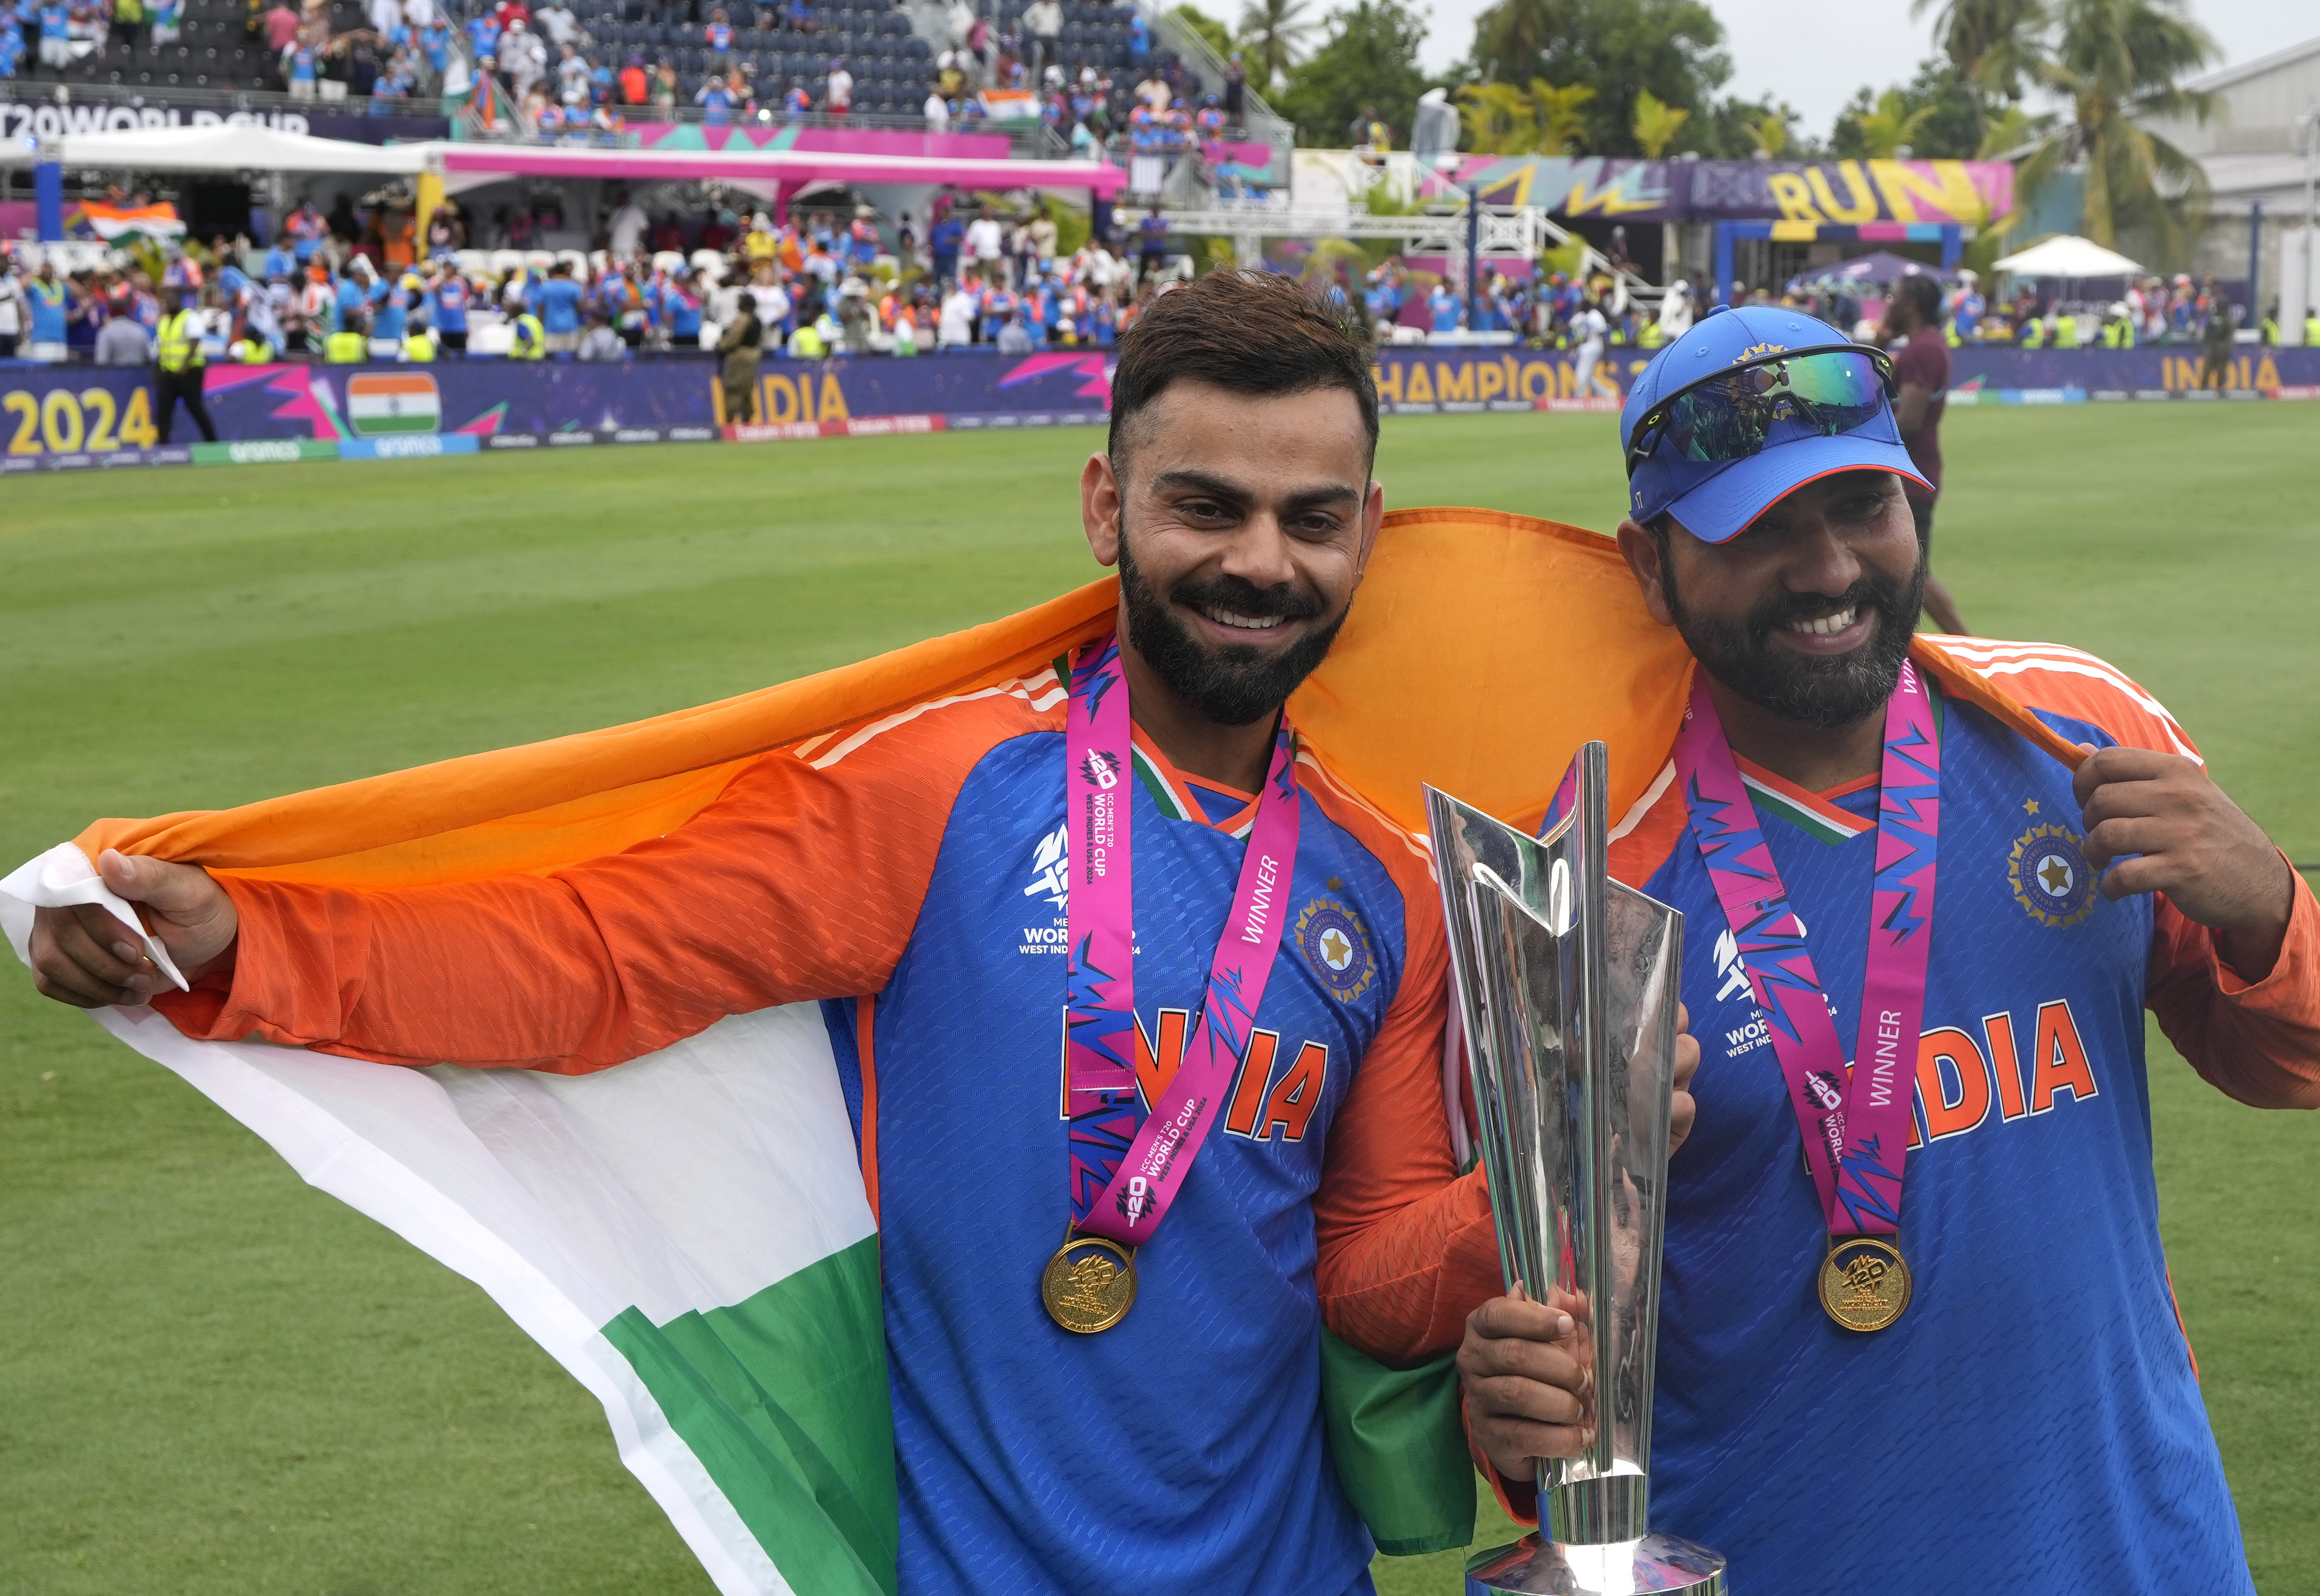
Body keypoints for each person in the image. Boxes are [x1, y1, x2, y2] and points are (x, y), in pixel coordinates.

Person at [23, 271, 1617, 1596]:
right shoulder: (942, 786)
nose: (1260, 560)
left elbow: (1371, 1277)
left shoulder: (1383, 885)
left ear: (1367, 530)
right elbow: (595, 954)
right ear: (1105, 503)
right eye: (1205, 504)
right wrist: (250, 934)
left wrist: (1555, 1153)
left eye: (1309, 518)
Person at [1450, 304, 2320, 1596]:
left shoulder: (2078, 728)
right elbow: (1562, 1374)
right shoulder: (1588, 883)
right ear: (1647, 565)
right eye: (1758, 528)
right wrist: (1516, 1407)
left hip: (2139, 1550)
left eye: (1862, 507)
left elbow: (2300, 1061)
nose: (1827, 569)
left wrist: (2265, 901)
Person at [1874, 273, 1968, 635]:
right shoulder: (1924, 345)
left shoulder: (1922, 349)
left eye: (1893, 297)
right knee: (1898, 572)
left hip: (1911, 476)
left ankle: (1972, 651)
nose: (1888, 304)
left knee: (1915, 575)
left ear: (1910, 305)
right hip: (1914, 470)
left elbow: (1909, 418)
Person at [152, 286, 218, 444]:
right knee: (164, 409)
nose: (169, 302)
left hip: (189, 371)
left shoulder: (189, 317)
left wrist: (185, 364)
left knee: (195, 407)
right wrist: (158, 369)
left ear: (180, 301)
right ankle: (163, 445)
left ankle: (213, 441)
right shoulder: (163, 322)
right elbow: (162, 346)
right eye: (167, 300)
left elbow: (195, 341)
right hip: (169, 371)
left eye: (172, 299)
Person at [717, 289, 764, 422]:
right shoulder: (757, 320)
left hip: (740, 357)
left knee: (734, 388)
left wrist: (721, 346)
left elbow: (733, 339)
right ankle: (748, 418)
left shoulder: (743, 319)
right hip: (754, 356)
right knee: (747, 389)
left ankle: (730, 420)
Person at [93, 298, 153, 366]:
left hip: (114, 375)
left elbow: (101, 362)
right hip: (138, 375)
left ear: (110, 312)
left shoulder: (105, 332)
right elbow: (149, 357)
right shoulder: (139, 330)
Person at [2200, 295, 2235, 389]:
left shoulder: (2215, 317)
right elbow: (2230, 334)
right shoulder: (2226, 318)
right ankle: (2215, 385)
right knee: (2217, 366)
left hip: (2215, 345)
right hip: (2219, 345)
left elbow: (2207, 332)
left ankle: (2207, 385)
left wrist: (2205, 343)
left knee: (2212, 366)